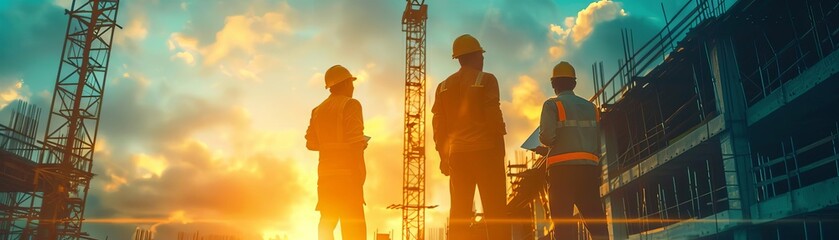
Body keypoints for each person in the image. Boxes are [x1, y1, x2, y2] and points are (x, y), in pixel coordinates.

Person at [432, 34, 510, 240]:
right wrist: (499, 145)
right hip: (486, 153)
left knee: (459, 213)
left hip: (457, 156)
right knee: (496, 212)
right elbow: (493, 114)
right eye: (481, 55)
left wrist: (443, 156)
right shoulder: (486, 80)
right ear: (476, 56)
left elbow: (439, 127)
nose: (483, 60)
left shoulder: (443, 87)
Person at [539, 61, 609, 240]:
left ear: (553, 84)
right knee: (597, 222)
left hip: (561, 173)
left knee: (563, 226)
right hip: (588, 171)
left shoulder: (551, 105)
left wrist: (545, 146)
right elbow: (593, 139)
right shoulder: (591, 108)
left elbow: (547, 137)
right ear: (574, 83)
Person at [306, 65, 367, 240]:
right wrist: (360, 174)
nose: (353, 87)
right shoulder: (351, 104)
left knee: (327, 222)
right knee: (353, 228)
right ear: (347, 83)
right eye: (352, 83)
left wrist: (329, 142)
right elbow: (355, 144)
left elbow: (310, 143)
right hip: (348, 177)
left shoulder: (317, 111)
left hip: (325, 178)